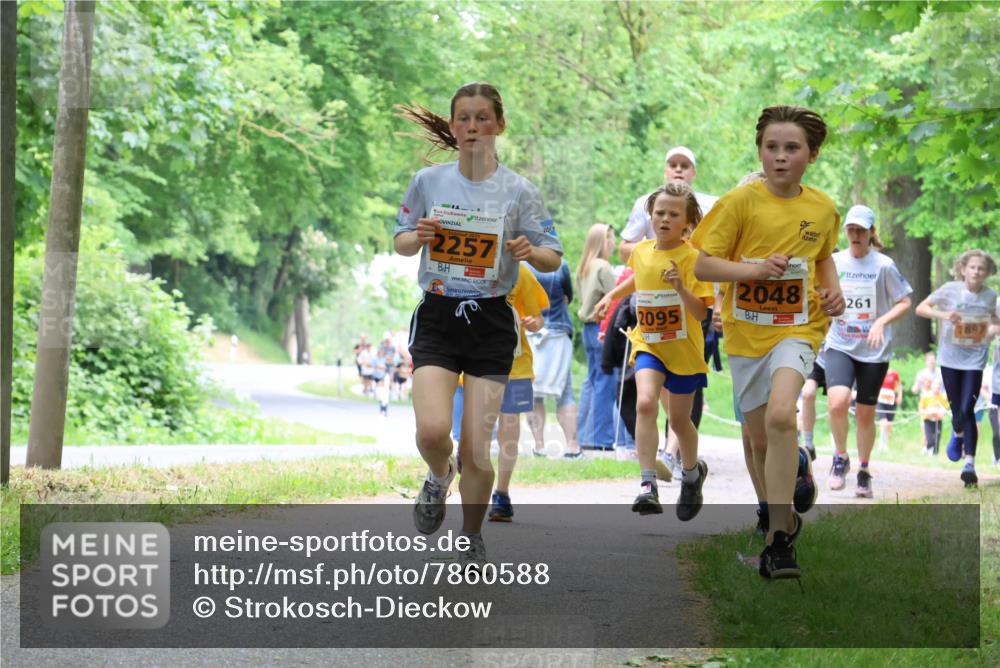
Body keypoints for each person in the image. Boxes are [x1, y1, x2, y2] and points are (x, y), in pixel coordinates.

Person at [394, 82, 562, 569]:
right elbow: (402, 241)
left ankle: (470, 535)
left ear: (499, 125)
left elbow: (553, 255)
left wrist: (532, 251)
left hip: (491, 320)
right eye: (463, 118)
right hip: (439, 315)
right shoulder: (428, 182)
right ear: (452, 126)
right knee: (432, 432)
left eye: (482, 117)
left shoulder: (519, 190)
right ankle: (436, 474)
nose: (472, 127)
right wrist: (417, 236)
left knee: (476, 447)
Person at [691, 105, 845, 579]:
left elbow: (822, 259)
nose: (779, 157)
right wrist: (753, 271)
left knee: (783, 413)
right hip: (745, 331)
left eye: (791, 148)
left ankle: (779, 539)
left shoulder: (822, 208)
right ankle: (786, 511)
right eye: (771, 148)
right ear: (759, 151)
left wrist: (832, 290)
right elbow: (704, 266)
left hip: (799, 327)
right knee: (758, 440)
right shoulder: (738, 203)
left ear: (811, 155)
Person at [594, 181, 714, 521]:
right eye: (659, 212)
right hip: (649, 342)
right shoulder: (641, 251)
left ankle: (691, 474)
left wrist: (679, 286)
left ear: (688, 223)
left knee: (679, 420)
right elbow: (640, 278)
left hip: (684, 349)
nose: (664, 218)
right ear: (650, 215)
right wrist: (610, 296)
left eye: (673, 214)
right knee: (645, 402)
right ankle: (647, 483)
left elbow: (702, 312)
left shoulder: (694, 259)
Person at [819, 204, 913, 498]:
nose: (856, 235)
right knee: (837, 402)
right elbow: (820, 296)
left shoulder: (883, 265)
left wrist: (881, 323)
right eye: (851, 230)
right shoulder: (833, 262)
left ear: (871, 233)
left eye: (861, 230)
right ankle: (840, 457)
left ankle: (863, 469)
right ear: (845, 232)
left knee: (864, 414)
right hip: (840, 343)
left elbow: (905, 301)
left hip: (873, 350)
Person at [916, 249, 999, 488]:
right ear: (963, 269)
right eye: (972, 267)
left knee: (968, 407)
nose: (976, 271)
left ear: (987, 272)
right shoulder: (949, 290)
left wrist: (993, 328)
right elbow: (921, 308)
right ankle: (957, 432)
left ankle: (969, 464)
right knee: (957, 410)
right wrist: (943, 314)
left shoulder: (990, 296)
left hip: (975, 359)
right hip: (950, 358)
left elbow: (994, 320)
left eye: (981, 268)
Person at [487, 263, 549, 522]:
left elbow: (538, 317)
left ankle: (501, 493)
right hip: (474, 363)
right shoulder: (470, 266)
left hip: (516, 363)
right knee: (473, 434)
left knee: (509, 426)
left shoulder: (521, 272)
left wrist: (534, 322)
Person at [526, 259, 583, 458]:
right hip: (559, 332)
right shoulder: (561, 264)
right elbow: (569, 296)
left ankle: (539, 446)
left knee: (533, 393)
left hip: (531, 331)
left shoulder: (522, 265)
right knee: (565, 392)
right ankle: (572, 446)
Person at [576, 224, 619, 449]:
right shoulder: (604, 267)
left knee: (591, 380)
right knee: (606, 381)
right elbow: (615, 299)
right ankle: (601, 438)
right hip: (602, 329)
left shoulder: (583, 266)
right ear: (603, 241)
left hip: (587, 329)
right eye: (610, 239)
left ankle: (582, 434)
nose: (613, 243)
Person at [873, 366, 903, 451]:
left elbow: (899, 385)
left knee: (889, 424)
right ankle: (881, 444)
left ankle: (886, 444)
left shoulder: (894, 374)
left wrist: (900, 396)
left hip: (891, 401)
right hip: (880, 400)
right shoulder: (878, 371)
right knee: (884, 422)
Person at [919, 377, 948, 455]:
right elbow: (921, 409)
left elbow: (945, 409)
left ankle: (934, 454)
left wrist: (942, 413)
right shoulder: (925, 396)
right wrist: (927, 413)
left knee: (937, 439)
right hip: (928, 420)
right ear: (931, 386)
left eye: (939, 386)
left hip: (938, 421)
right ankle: (926, 448)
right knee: (930, 439)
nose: (937, 387)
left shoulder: (942, 397)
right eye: (935, 385)